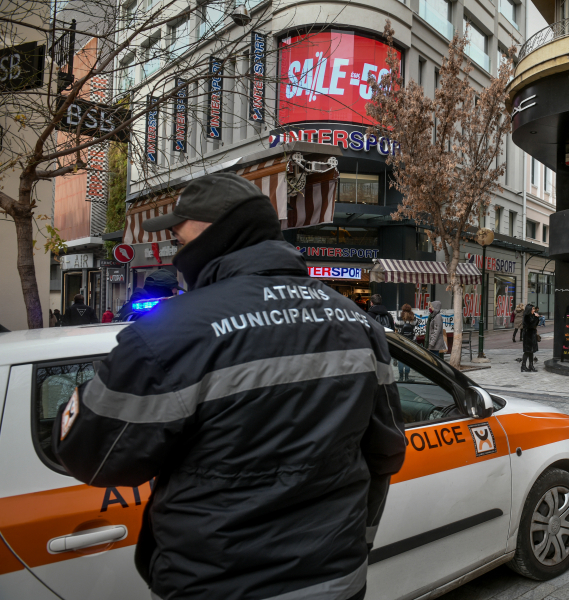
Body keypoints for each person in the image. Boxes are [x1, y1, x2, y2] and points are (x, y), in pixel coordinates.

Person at [52, 173, 406, 600]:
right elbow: (386, 452)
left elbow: (92, 456)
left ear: (218, 233)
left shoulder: (169, 333)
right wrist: (358, 546)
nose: (175, 248)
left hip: (215, 584)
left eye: (179, 236)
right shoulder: (359, 323)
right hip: (337, 582)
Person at [115, 270, 184, 322]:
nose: (172, 297)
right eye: (173, 293)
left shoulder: (128, 307)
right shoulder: (153, 312)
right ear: (164, 290)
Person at [396, 304, 417, 381]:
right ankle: (407, 377)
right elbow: (416, 326)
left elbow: (396, 326)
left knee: (401, 358)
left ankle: (401, 377)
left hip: (401, 340)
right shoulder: (413, 317)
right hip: (411, 341)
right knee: (408, 358)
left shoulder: (399, 317)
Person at [521, 304, 540, 372]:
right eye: (533, 309)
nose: (534, 310)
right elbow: (531, 325)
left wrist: (536, 318)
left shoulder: (532, 316)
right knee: (527, 351)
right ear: (529, 310)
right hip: (528, 336)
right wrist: (536, 318)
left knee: (531, 351)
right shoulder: (526, 317)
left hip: (532, 335)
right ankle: (523, 366)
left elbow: (535, 324)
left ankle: (531, 365)